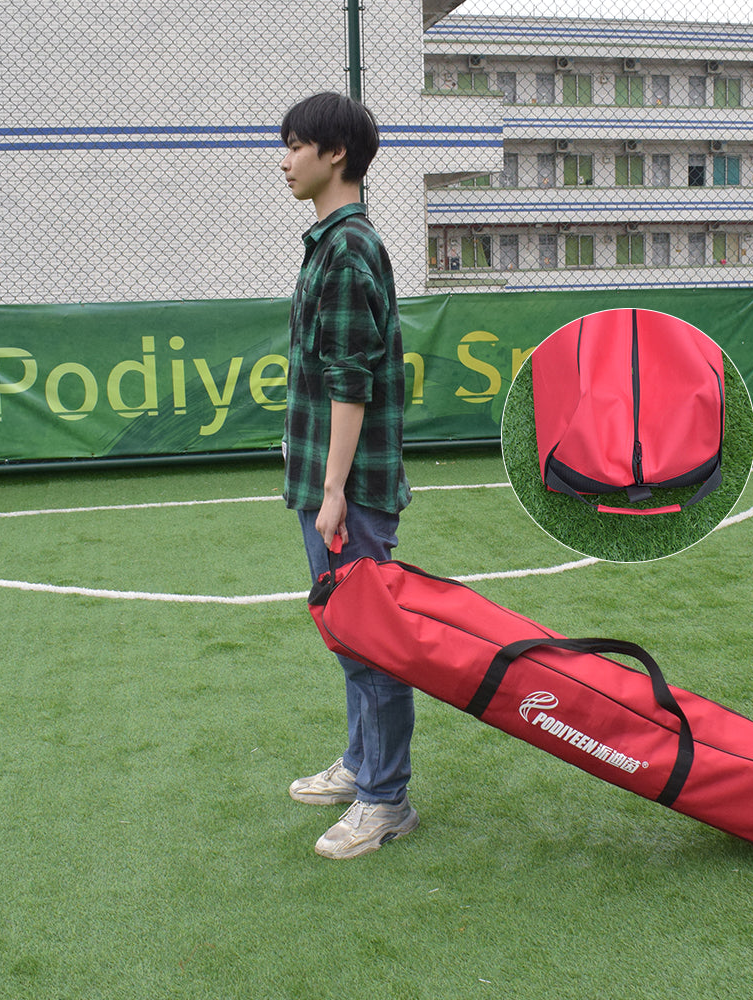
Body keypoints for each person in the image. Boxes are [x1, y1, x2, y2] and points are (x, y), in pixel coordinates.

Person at [278, 92, 417, 859]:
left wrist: (334, 493)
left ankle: (386, 797)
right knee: (348, 638)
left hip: (350, 494)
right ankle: (364, 764)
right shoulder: (330, 242)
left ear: (336, 154)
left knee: (374, 645)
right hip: (327, 488)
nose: (285, 158)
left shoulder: (349, 247)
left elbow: (349, 378)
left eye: (296, 144)